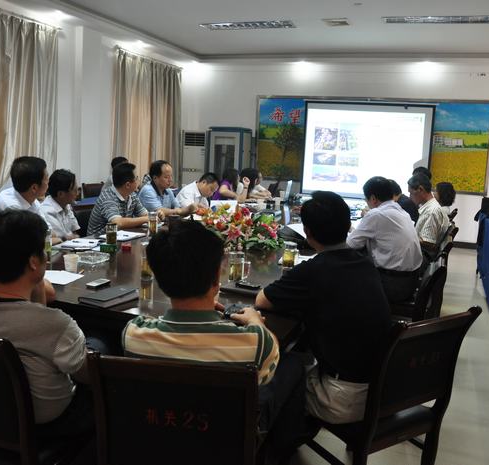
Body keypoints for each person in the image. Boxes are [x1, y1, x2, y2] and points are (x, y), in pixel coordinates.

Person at [122, 220, 305, 459]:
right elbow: (272, 350)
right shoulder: (256, 343)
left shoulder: (133, 334)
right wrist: (255, 322)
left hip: (157, 441)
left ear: (158, 279)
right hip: (226, 445)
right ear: (217, 277)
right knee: (293, 365)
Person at [256, 191, 392, 424]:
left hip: (343, 397)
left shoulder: (313, 271)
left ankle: (273, 439)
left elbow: (261, 300)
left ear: (307, 232)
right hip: (382, 389)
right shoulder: (366, 264)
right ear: (348, 226)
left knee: (282, 364)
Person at [0, 210, 93, 437]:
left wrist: (35, 282)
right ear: (33, 261)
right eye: (43, 251)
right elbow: (88, 375)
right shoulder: (55, 324)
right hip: (43, 428)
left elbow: (32, 318)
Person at [347, 177, 422, 303]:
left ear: (373, 198)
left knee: (345, 282)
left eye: (366, 200)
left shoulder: (376, 214)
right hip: (410, 281)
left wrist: (349, 229)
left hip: (393, 285)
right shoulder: (401, 211)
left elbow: (350, 245)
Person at [87, 162, 148, 236]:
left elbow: (144, 214)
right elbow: (118, 223)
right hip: (97, 240)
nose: (138, 180)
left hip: (120, 237)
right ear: (128, 185)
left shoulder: (132, 195)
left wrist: (153, 215)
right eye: (136, 178)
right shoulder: (108, 198)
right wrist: (147, 218)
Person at [0, 156, 49, 223]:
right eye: (46, 178)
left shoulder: (28, 196)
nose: (48, 181)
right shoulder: (11, 207)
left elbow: (46, 226)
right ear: (34, 188)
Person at [408, 173, 450, 259]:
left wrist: (407, 237)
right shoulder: (431, 207)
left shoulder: (431, 211)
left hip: (421, 257)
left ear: (420, 189)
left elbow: (429, 243)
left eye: (411, 193)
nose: (409, 197)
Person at [40, 169, 80, 242]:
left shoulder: (66, 204)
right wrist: (70, 238)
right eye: (75, 190)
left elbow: (75, 233)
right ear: (61, 194)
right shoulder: (47, 212)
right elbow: (60, 239)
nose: (77, 193)